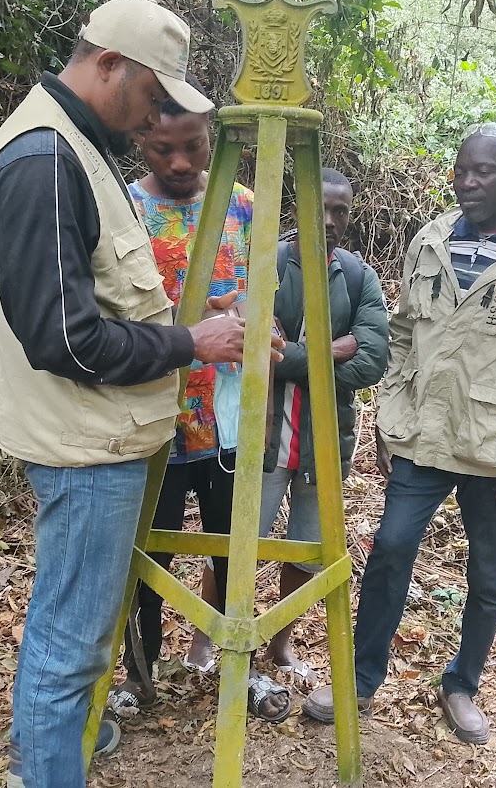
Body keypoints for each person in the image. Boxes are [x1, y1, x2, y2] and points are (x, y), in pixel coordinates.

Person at [0, 0, 282, 788]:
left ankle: (45, 755)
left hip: (101, 436)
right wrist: (190, 343)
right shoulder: (44, 159)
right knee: (71, 645)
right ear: (109, 63)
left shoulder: (73, 147)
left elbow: (102, 303)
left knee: (72, 637)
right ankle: (46, 769)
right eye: (151, 96)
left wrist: (195, 321)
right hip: (86, 447)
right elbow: (66, 338)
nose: (153, 117)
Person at [303, 124, 496, 745]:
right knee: (389, 550)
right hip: (423, 437)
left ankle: (462, 685)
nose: (468, 182)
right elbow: (403, 335)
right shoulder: (431, 240)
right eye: (462, 170)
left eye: (484, 172)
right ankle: (359, 680)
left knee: (488, 575)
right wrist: (389, 418)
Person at [105, 76, 290, 723]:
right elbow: (110, 317)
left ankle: (235, 667)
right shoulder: (125, 210)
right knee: (147, 554)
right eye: (164, 149)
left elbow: (261, 301)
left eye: (193, 147)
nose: (181, 163)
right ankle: (139, 675)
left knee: (231, 548)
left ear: (211, 140)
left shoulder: (243, 206)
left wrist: (261, 325)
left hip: (228, 419)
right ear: (141, 140)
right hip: (154, 416)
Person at [187, 169, 389, 687]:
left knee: (308, 544)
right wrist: (332, 348)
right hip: (263, 434)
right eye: (320, 207)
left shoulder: (358, 277)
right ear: (298, 206)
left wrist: (294, 354)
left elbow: (372, 361)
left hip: (325, 439)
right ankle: (206, 638)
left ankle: (280, 643)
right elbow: (255, 351)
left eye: (340, 211)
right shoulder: (266, 265)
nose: (329, 220)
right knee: (237, 539)